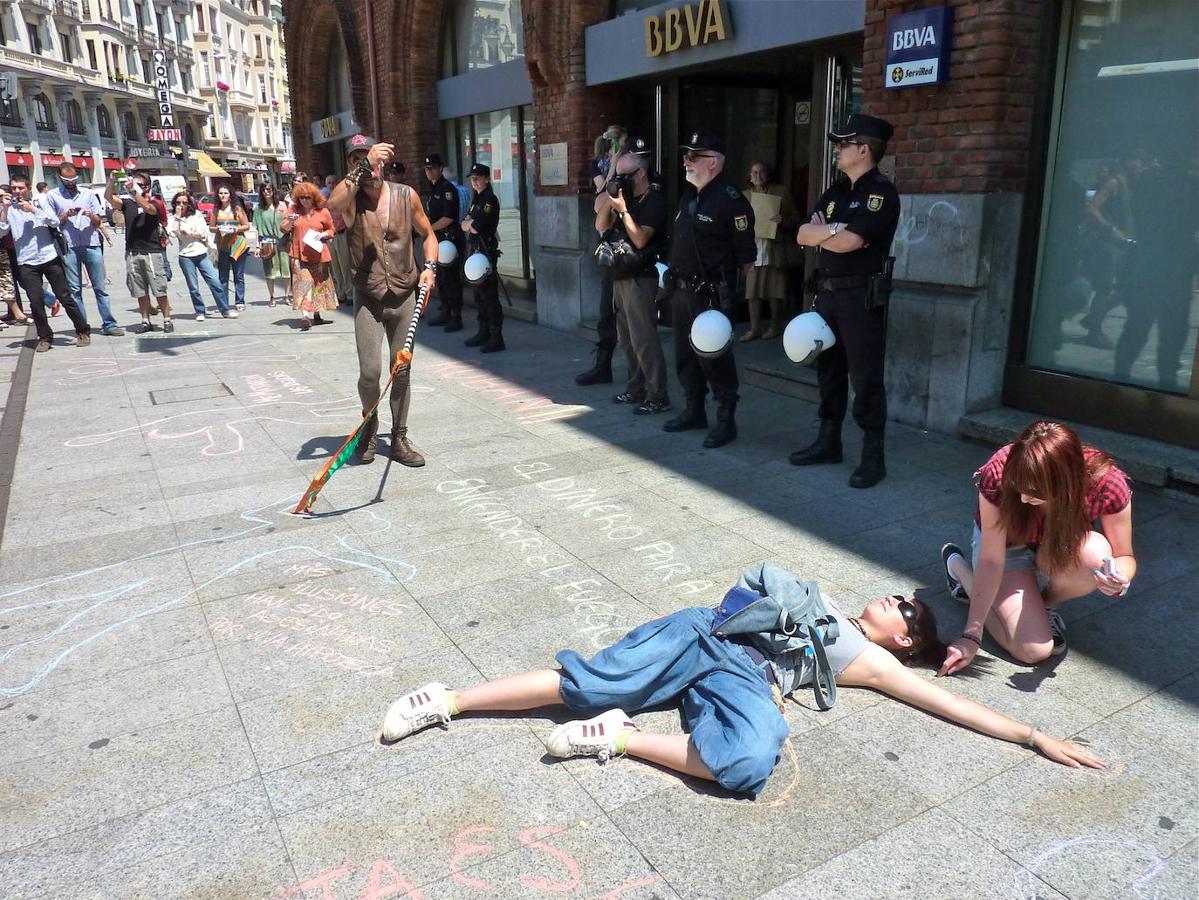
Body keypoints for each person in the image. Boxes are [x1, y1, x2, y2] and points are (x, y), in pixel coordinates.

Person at [380, 563, 1105, 798]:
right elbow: (748, 588)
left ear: (906, 642)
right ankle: (447, 699)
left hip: (746, 680)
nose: (895, 602)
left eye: (907, 612)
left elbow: (948, 704)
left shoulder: (872, 663)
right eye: (897, 597)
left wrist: (1034, 735)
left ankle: (621, 742)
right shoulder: (817, 598)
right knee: (593, 680)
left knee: (750, 761)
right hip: (706, 632)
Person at [939, 420, 1135, 676]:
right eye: (1018, 488)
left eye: (1033, 492)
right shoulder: (1000, 469)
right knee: (1033, 651)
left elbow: (1125, 556)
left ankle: (1043, 607)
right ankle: (960, 569)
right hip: (1006, 547)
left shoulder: (1106, 482)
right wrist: (972, 634)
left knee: (1097, 555)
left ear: (1065, 482)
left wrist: (1120, 580)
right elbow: (992, 559)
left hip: (1057, 545)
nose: (1023, 499)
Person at [792, 114, 900, 489]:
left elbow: (851, 243)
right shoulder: (836, 191)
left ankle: (873, 457)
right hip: (828, 294)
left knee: (866, 377)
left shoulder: (881, 193)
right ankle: (828, 440)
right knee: (828, 369)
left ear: (864, 149)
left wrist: (830, 232)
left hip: (861, 298)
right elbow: (803, 233)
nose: (837, 149)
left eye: (844, 144)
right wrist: (832, 231)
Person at [327, 134, 438, 466]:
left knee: (400, 369)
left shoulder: (407, 195)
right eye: (357, 159)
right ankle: (369, 427)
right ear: (352, 165)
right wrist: (365, 163)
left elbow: (429, 235)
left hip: (404, 295)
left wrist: (429, 267)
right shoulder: (350, 201)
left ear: (385, 162)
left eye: (373, 158)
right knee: (370, 372)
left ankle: (400, 437)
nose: (369, 165)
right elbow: (332, 204)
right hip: (369, 298)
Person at [662, 129, 756, 449]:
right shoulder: (689, 196)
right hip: (682, 292)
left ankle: (726, 420)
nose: (686, 161)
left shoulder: (731, 201)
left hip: (712, 295)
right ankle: (694, 410)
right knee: (685, 356)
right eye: (686, 155)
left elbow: (746, 260)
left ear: (713, 162)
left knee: (715, 359)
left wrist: (724, 295)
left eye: (694, 156)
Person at [594, 141, 671, 415]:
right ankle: (636, 387)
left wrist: (624, 211)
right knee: (626, 340)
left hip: (641, 276)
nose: (620, 180)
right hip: (620, 274)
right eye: (618, 175)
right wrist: (611, 198)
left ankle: (657, 394)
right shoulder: (625, 195)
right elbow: (600, 225)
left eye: (624, 175)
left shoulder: (654, 199)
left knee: (644, 339)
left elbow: (640, 239)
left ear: (640, 173)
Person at [0, 176, 91, 351]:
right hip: (26, 261)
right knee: (35, 302)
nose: (17, 191)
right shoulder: (9, 208)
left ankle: (82, 330)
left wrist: (33, 210)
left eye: (20, 188)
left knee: (64, 296)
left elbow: (55, 221)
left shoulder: (40, 202)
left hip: (49, 257)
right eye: (14, 188)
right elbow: (2, 231)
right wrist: (4, 208)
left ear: (28, 188)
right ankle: (45, 337)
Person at [576, 126, 630, 387]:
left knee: (632, 317)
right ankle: (603, 364)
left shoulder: (635, 173)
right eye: (618, 146)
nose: (621, 151)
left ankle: (639, 375)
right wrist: (612, 169)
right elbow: (600, 202)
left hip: (632, 251)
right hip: (611, 247)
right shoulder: (600, 166)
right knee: (606, 311)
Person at [44, 162, 124, 337]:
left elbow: (98, 222)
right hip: (70, 246)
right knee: (75, 290)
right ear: (61, 178)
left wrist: (91, 214)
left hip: (91, 243)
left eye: (74, 178)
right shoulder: (53, 196)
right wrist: (65, 215)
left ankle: (109, 324)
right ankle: (82, 326)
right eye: (68, 179)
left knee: (100, 287)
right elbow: (52, 221)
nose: (71, 182)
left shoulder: (87, 194)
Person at [106, 170, 173, 333]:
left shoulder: (155, 201)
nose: (136, 186)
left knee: (159, 288)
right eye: (134, 183)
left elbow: (149, 209)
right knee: (139, 289)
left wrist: (134, 191)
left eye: (140, 184)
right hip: (133, 251)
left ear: (147, 187)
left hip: (152, 251)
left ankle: (166, 319)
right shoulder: (128, 203)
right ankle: (145, 320)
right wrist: (111, 182)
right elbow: (109, 198)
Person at [741, 161, 797, 342]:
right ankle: (754, 328)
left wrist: (783, 220)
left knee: (775, 291)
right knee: (753, 292)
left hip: (775, 248)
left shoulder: (781, 192)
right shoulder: (744, 196)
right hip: (753, 249)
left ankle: (774, 327)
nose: (757, 175)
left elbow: (796, 218)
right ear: (749, 176)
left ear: (768, 174)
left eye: (761, 172)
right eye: (754, 172)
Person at [279, 182, 336, 331]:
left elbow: (331, 230)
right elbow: (283, 229)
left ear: (314, 198)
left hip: (318, 254)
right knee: (303, 283)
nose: (305, 200)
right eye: (302, 197)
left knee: (318, 284)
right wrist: (291, 220)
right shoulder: (293, 210)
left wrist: (323, 234)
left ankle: (317, 313)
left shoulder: (323, 211)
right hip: (299, 255)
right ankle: (305, 315)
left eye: (308, 197)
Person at [168, 192, 233, 320]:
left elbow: (203, 233)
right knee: (193, 286)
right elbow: (172, 233)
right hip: (185, 255)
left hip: (201, 252)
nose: (181, 205)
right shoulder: (173, 218)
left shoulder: (196, 215)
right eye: (178, 203)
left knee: (214, 281)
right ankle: (200, 311)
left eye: (184, 202)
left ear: (189, 203)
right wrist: (177, 216)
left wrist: (190, 233)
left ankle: (224, 309)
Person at [461, 162, 504, 353]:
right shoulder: (477, 199)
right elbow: (464, 223)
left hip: (486, 252)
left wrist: (469, 223)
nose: (475, 182)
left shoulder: (489, 200)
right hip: (476, 251)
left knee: (489, 296)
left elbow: (476, 226)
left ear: (487, 178)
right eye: (472, 179)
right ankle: (483, 331)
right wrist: (469, 223)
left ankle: (496, 337)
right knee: (478, 295)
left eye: (478, 178)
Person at [421, 153, 465, 333]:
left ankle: (456, 316)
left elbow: (448, 218)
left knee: (452, 279)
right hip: (438, 239)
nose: (429, 172)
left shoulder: (447, 189)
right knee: (442, 279)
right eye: (426, 169)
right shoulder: (432, 189)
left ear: (440, 168)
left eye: (432, 168)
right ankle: (445, 311)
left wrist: (429, 228)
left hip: (450, 238)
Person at [209, 183, 251, 313]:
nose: (223, 195)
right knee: (223, 276)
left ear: (230, 195)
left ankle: (240, 301)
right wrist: (219, 229)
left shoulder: (237, 209)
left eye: (225, 193)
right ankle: (224, 303)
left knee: (238, 275)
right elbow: (211, 227)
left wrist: (235, 229)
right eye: (221, 193)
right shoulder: (216, 210)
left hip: (238, 245)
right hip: (223, 246)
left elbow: (246, 225)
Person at [252, 183, 290, 308]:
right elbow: (256, 229)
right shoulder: (259, 209)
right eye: (263, 190)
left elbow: (288, 222)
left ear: (274, 190)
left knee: (286, 270)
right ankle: (272, 297)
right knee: (269, 272)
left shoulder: (282, 205)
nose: (266, 192)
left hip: (283, 241)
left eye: (268, 189)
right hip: (267, 242)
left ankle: (287, 296)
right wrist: (256, 246)